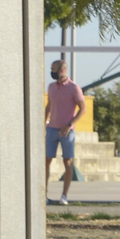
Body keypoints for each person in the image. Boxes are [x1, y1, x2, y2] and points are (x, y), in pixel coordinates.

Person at [45, 59, 85, 205]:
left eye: (53, 69)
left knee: (68, 161)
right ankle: (44, 194)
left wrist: (70, 124)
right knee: (46, 160)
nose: (51, 72)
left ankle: (64, 195)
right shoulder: (51, 87)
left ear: (62, 71)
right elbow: (49, 105)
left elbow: (83, 108)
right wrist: (44, 121)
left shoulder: (74, 88)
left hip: (67, 131)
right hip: (51, 129)